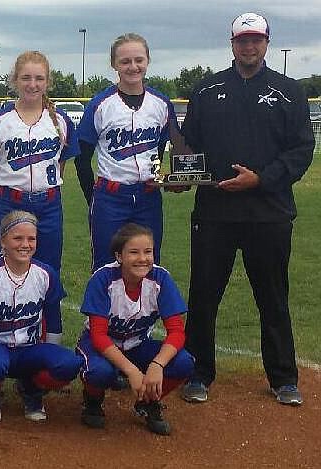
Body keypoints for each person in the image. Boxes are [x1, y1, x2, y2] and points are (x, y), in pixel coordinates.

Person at [180, 13, 315, 406]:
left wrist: (262, 178)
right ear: (232, 43)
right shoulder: (206, 89)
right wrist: (180, 177)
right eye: (242, 40)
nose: (249, 47)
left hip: (268, 212)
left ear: (267, 43)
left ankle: (283, 378)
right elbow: (191, 146)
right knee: (204, 294)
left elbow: (301, 150)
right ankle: (197, 372)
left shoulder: (290, 91)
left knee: (272, 296)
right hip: (215, 212)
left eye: (256, 40)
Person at [77, 223, 194, 435]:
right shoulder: (103, 279)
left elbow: (177, 331)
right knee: (99, 372)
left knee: (183, 362)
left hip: (138, 343)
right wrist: (132, 371)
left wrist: (157, 365)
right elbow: (99, 336)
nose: (142, 258)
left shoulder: (160, 279)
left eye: (148, 252)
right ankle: (92, 400)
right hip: (101, 346)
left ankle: (148, 402)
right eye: (134, 252)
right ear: (119, 256)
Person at [75, 33, 179, 270]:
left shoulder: (161, 103)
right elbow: (82, 158)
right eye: (125, 61)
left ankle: (146, 309)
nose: (133, 66)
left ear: (147, 60)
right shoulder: (101, 104)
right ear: (114, 65)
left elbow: (162, 145)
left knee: (147, 265)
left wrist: (159, 173)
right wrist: (93, 197)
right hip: (111, 195)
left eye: (138, 60)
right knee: (106, 266)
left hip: (148, 196)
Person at [0, 211, 83, 422]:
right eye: (17, 238)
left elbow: (54, 319)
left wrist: (49, 356)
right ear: (3, 241)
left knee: (69, 364)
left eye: (31, 239)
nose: (25, 244)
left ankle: (32, 388)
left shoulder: (45, 274)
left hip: (29, 349)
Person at [0, 51, 79, 277]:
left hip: (49, 204)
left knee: (48, 271)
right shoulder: (0, 121)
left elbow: (60, 164)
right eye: (25, 78)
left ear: (48, 82)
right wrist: (0, 205)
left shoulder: (60, 120)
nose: (32, 84)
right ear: (14, 80)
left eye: (39, 79)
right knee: (5, 272)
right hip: (10, 201)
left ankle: (48, 314)